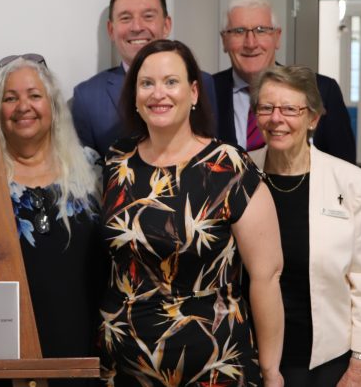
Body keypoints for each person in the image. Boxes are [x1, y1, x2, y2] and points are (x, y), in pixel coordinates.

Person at [99, 39, 284, 387]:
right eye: (146, 83)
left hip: (212, 364)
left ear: (194, 92)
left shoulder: (229, 166)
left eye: (171, 81)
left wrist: (271, 370)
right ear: (135, 96)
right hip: (125, 363)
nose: (158, 93)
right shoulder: (117, 160)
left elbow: (266, 275)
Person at [249, 65, 361, 387]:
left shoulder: (354, 185)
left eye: (290, 109)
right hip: (247, 353)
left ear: (313, 118)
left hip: (322, 359)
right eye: (266, 108)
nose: (276, 118)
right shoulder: (239, 175)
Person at [0, 54, 103, 377]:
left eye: (34, 95)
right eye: (10, 98)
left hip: (81, 345)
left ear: (53, 105)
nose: (23, 106)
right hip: (3, 352)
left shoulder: (91, 169)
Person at [72, 0, 217, 158]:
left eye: (148, 16)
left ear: (166, 25)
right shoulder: (87, 97)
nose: (137, 27)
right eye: (125, 18)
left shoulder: (203, 82)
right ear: (111, 30)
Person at [213, 0, 356, 162]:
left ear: (277, 37)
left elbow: (344, 166)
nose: (250, 43)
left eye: (261, 30)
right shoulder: (204, 91)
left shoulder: (322, 90)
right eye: (239, 31)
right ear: (224, 40)